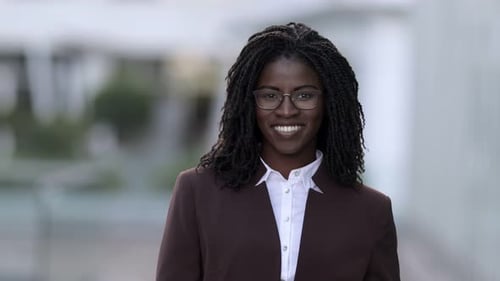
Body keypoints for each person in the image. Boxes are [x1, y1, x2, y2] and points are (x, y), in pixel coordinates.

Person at [156, 22, 400, 281]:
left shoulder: (371, 211)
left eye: (304, 96)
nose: (286, 111)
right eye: (270, 96)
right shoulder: (197, 192)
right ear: (249, 103)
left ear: (329, 102)